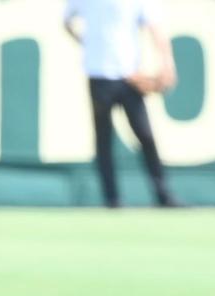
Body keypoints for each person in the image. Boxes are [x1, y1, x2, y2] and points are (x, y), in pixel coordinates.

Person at [64, 0, 180, 208]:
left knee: (145, 135)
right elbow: (67, 22)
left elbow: (154, 26)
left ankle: (163, 195)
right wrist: (87, 43)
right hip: (99, 75)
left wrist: (167, 62)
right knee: (104, 140)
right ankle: (112, 199)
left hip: (130, 76)